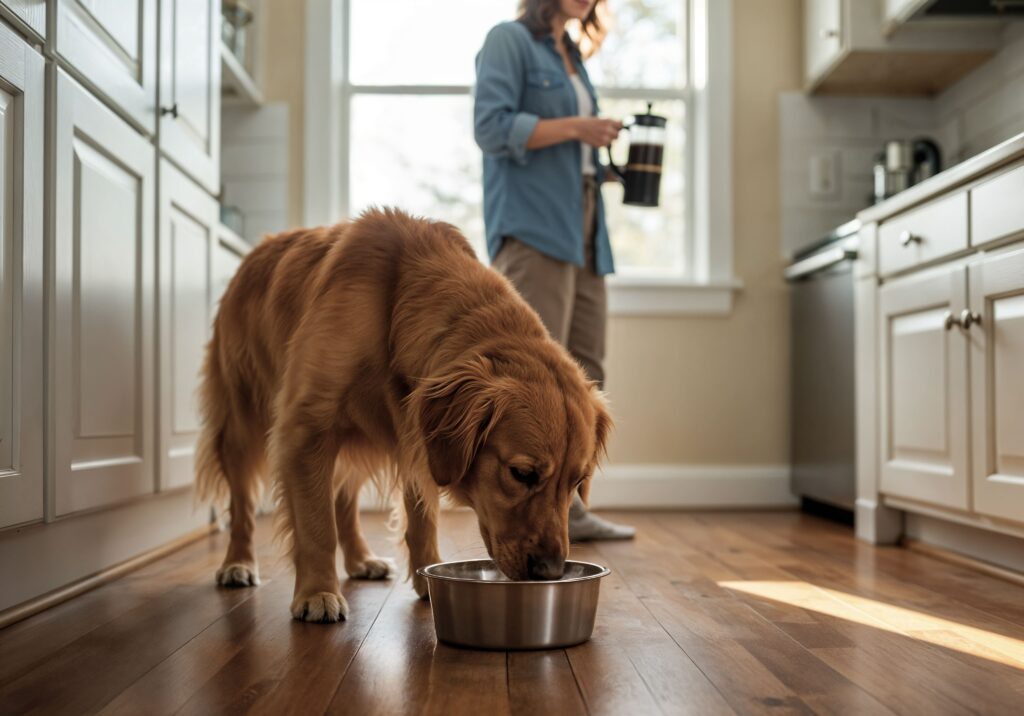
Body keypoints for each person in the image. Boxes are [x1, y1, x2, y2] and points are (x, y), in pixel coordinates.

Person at [474, 0, 634, 541]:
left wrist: (598, 162)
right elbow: (491, 128)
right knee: (534, 379)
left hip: (586, 224)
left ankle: (571, 514)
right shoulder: (509, 40)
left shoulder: (573, 53)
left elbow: (567, 141)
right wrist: (575, 128)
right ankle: (521, 520)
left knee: (586, 371)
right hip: (535, 226)